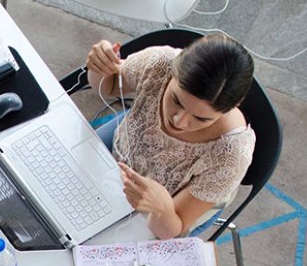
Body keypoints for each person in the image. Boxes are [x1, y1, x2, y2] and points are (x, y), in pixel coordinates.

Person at [84, 35, 256, 239]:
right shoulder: (158, 64)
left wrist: (161, 208)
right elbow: (109, 87)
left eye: (201, 119)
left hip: (168, 210)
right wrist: (99, 68)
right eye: (177, 100)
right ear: (172, 71)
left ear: (231, 108)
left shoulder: (231, 154)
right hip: (120, 147)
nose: (179, 121)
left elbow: (171, 230)